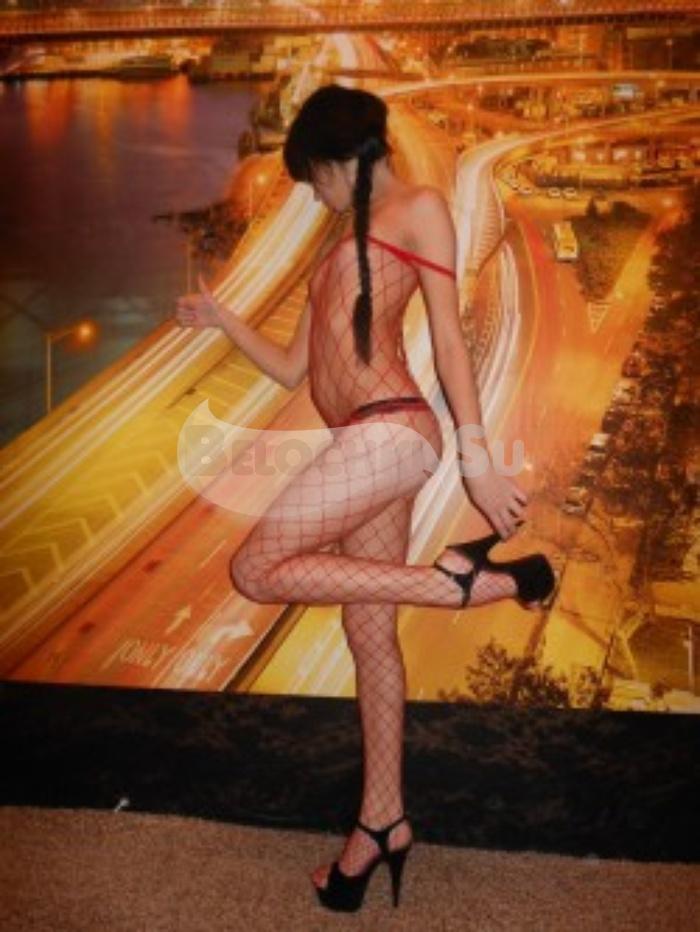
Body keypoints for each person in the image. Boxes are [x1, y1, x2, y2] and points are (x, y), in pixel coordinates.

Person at [175, 83, 555, 913]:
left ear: (339, 158)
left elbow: (448, 337)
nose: (313, 196)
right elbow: (294, 370)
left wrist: (477, 458)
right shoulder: (339, 239)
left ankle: (464, 582)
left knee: (255, 568)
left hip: (392, 430)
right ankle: (381, 824)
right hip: (362, 438)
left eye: (313, 178)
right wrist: (222, 318)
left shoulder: (419, 207)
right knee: (367, 631)